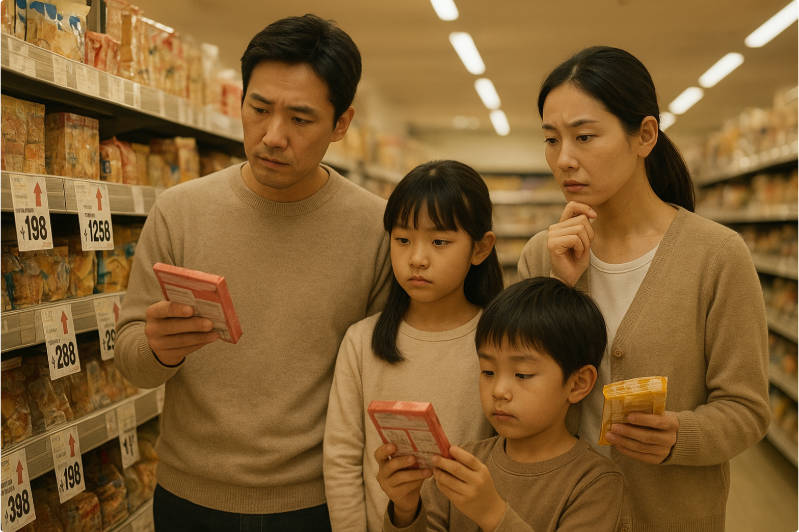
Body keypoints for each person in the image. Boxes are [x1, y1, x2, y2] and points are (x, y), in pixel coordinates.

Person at [114, 14, 392, 531]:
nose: (273, 136)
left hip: (319, 501)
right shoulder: (179, 212)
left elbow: (381, 372)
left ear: (342, 123)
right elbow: (131, 358)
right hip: (189, 497)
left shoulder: (376, 229)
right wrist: (157, 348)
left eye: (301, 119)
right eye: (258, 109)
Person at [518, 45, 770, 531]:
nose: (564, 159)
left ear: (645, 136)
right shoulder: (542, 254)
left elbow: (747, 408)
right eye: (551, 140)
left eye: (585, 136)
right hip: (558, 514)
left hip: (672, 516)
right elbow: (519, 389)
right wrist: (559, 293)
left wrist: (682, 435)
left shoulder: (716, 255)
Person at [323, 160, 503, 531]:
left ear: (481, 248)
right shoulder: (362, 342)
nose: (417, 259)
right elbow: (341, 460)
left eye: (439, 242)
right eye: (403, 240)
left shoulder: (500, 342)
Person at [376, 277, 624, 531]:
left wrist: (492, 514)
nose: (499, 391)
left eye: (522, 374)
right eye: (488, 372)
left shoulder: (595, 481)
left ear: (578, 384)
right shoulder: (463, 463)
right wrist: (405, 510)